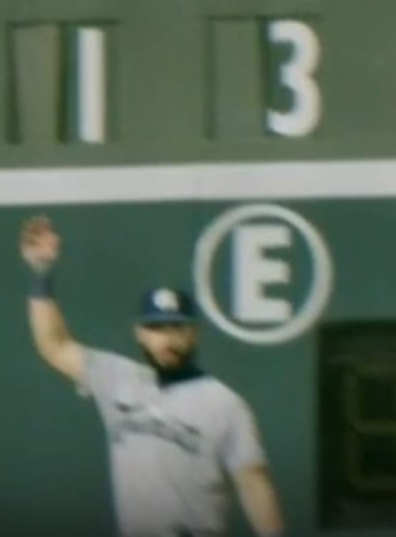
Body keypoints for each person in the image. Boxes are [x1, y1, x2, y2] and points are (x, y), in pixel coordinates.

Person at [18, 214, 285, 537]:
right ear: (140, 334)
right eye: (156, 328)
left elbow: (253, 485)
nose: (167, 339)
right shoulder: (116, 378)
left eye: (177, 327)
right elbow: (54, 345)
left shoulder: (225, 403)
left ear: (194, 334)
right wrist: (41, 275)